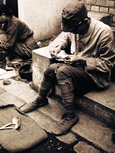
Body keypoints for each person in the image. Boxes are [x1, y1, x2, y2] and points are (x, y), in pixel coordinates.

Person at [19, 1, 115, 135]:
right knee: (51, 69)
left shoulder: (104, 32)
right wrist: (59, 46)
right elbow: (66, 36)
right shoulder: (75, 26)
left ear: (85, 21)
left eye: (74, 29)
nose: (73, 33)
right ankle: (41, 99)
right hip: (77, 68)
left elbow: (107, 64)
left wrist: (82, 59)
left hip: (95, 76)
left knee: (62, 71)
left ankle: (70, 115)